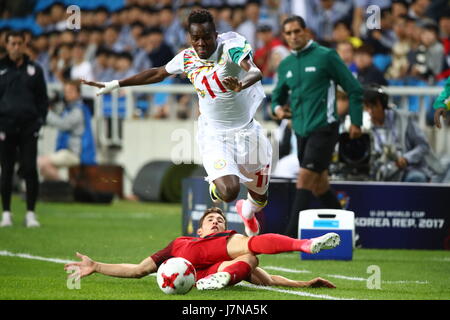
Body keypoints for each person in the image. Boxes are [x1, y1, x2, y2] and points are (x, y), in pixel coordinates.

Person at [82, 9, 272, 237]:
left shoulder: (231, 47)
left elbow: (255, 71)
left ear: (216, 34)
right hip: (214, 134)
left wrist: (242, 84)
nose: (201, 43)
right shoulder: (187, 58)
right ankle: (216, 184)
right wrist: (117, 83)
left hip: (247, 131)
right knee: (229, 191)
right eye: (195, 38)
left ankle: (247, 213)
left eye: (206, 37)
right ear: (189, 38)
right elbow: (158, 73)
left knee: (260, 197)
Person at [64, 207, 339, 290]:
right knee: (250, 248)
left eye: (221, 219)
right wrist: (96, 266)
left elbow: (268, 281)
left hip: (211, 272)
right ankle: (304, 244)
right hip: (196, 258)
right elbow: (138, 269)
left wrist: (306, 284)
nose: (217, 220)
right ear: (199, 230)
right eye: (211, 219)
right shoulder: (180, 243)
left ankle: (222, 279)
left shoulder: (231, 244)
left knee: (251, 261)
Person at [271, 16, 363, 238]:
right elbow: (277, 96)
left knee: (304, 178)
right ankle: (352, 235)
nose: (293, 36)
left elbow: (354, 88)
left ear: (306, 31)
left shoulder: (326, 56)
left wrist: (356, 121)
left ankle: (289, 237)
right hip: (300, 131)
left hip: (325, 127)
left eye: (297, 31)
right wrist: (277, 109)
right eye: (288, 33)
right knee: (319, 185)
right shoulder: (286, 65)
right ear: (284, 36)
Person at [0, 31, 48, 228]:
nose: (16, 47)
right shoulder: (1, 69)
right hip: (5, 127)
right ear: (7, 45)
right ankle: (6, 213)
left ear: (24, 45)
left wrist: (40, 122)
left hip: (29, 127)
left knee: (29, 168)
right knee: (7, 170)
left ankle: (30, 213)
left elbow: (42, 99)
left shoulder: (35, 70)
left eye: (20, 43)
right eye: (13, 43)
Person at [364, 84, 440, 182]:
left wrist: (406, 159)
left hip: (408, 170)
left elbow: (423, 146)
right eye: (367, 107)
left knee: (416, 178)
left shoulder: (405, 119)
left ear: (383, 105)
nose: (370, 111)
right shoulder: (363, 127)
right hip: (380, 173)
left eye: (373, 107)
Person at [38, 80, 96, 181]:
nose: (67, 94)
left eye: (70, 91)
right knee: (44, 168)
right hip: (67, 151)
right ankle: (63, 188)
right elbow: (58, 115)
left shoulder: (78, 110)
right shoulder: (69, 108)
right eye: (65, 91)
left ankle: (66, 188)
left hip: (76, 153)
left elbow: (63, 124)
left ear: (78, 93)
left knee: (42, 162)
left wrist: (46, 112)